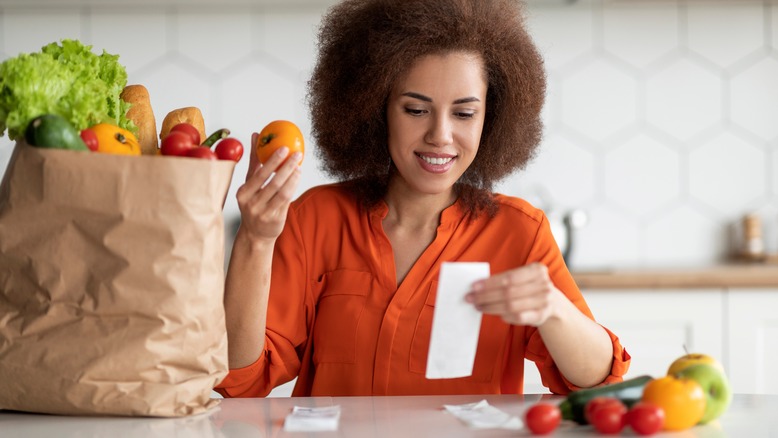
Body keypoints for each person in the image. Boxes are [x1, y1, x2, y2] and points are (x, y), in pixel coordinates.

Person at [215, 0, 630, 398]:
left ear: (492, 118)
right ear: (376, 109)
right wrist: (256, 238)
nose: (441, 135)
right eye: (416, 110)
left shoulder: (519, 232)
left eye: (464, 114)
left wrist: (553, 309)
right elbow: (241, 381)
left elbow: (597, 383)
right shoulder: (315, 219)